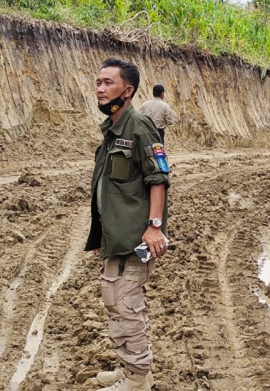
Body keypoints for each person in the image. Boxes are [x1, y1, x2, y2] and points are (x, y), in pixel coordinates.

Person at [86, 57, 170, 391]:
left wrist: (154, 226)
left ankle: (137, 379)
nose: (101, 88)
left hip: (136, 237)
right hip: (116, 237)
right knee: (114, 300)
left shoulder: (139, 126)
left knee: (126, 304)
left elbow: (158, 178)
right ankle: (131, 368)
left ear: (128, 89)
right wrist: (100, 237)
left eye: (108, 82)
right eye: (98, 82)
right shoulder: (111, 130)